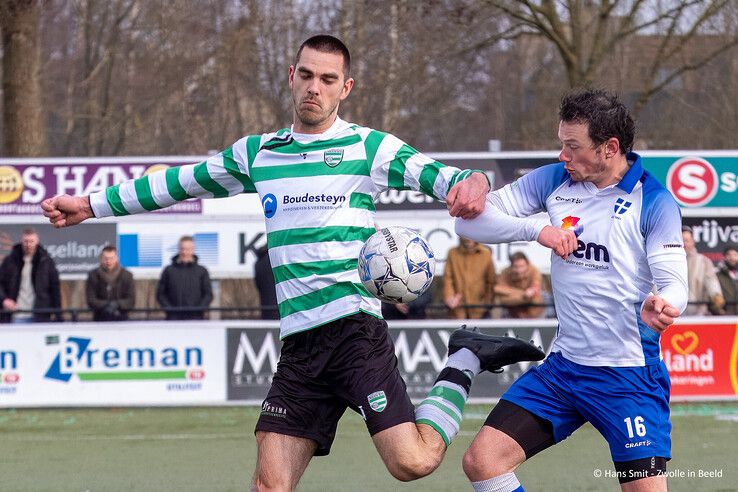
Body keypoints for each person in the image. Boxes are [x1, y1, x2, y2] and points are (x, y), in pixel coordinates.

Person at [41, 34, 546, 490]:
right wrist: (91, 205)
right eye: (306, 75)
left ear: (344, 88)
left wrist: (472, 181)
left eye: (328, 79)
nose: (314, 88)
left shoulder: (368, 147)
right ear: (291, 76)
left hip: (354, 333)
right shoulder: (258, 153)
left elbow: (442, 176)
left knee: (412, 463)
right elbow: (177, 183)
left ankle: (464, 359)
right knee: (269, 487)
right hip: (299, 346)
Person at [456, 89, 688, 491]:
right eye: (561, 143)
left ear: (609, 148)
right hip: (563, 372)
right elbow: (469, 224)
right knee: (483, 462)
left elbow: (675, 283)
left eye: (572, 146)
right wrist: (536, 229)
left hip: (628, 377)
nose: (563, 155)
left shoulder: (654, 200)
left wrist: (665, 304)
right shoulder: (553, 179)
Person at [0, 228, 61, 323]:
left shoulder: (46, 261)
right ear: (21, 241)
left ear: (37, 242)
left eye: (31, 241)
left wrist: (58, 314)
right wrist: (4, 300)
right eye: (26, 241)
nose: (28, 245)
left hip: (40, 314)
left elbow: (54, 288)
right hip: (16, 314)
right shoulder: (10, 261)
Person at [156, 236, 213, 320]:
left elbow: (208, 294)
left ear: (193, 250)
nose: (185, 252)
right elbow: (160, 294)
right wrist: (170, 310)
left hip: (196, 319)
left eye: (188, 249)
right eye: (182, 249)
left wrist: (198, 310)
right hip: (173, 319)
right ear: (179, 249)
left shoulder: (202, 271)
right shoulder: (168, 270)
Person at [443, 236, 497, 319]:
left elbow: (491, 281)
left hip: (480, 310)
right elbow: (448, 278)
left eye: (470, 234)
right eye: (464, 235)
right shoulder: (452, 253)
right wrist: (450, 297)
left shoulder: (486, 254)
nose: (467, 238)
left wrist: (486, 303)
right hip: (457, 308)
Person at [682, 226, 724, 315]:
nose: (684, 244)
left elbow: (711, 281)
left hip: (698, 314)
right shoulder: (668, 262)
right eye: (681, 241)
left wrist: (716, 295)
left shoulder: (704, 261)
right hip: (672, 316)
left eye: (687, 240)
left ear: (693, 242)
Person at [86, 245, 135, 321]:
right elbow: (91, 300)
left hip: (122, 318)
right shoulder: (93, 275)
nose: (108, 261)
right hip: (99, 318)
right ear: (101, 259)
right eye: (105, 258)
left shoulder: (127, 275)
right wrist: (106, 305)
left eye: (111, 258)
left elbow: (131, 300)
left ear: (116, 258)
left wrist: (117, 305)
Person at [495, 252, 545, 319]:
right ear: (511, 266)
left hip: (534, 315)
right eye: (516, 267)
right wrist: (523, 294)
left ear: (527, 264)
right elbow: (498, 289)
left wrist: (511, 296)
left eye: (522, 266)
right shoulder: (505, 272)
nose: (519, 270)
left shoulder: (534, 271)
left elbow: (534, 290)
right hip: (512, 314)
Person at [717, 244, 738, 315]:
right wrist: (721, 312)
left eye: (735, 255)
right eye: (729, 255)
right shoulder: (718, 276)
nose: (732, 258)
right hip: (726, 318)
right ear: (724, 257)